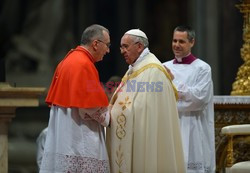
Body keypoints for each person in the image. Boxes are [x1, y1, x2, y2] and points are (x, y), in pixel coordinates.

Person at [106, 29, 186, 172]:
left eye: (125, 46)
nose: (122, 51)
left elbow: (144, 110)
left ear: (139, 47)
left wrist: (115, 112)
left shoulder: (153, 71)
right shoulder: (135, 68)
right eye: (121, 47)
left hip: (146, 140)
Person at [39, 24, 111, 173]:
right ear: (96, 44)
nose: (108, 50)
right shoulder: (84, 64)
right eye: (107, 45)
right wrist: (109, 118)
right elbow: (89, 107)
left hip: (65, 138)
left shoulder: (67, 61)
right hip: (78, 138)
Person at [163, 25, 215, 173]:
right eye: (174, 41)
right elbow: (160, 100)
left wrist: (173, 81)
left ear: (192, 42)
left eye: (181, 41)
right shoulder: (163, 67)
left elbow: (198, 101)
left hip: (193, 129)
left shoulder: (202, 68)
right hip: (170, 127)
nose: (176, 45)